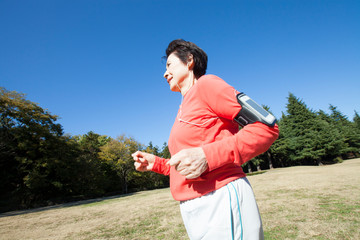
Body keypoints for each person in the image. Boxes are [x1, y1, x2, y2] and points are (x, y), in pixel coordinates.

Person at [132, 39, 279, 240]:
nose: (164, 73)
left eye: (169, 65)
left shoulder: (207, 85)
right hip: (192, 208)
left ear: (189, 60)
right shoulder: (182, 108)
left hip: (220, 197)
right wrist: (156, 163)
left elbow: (266, 126)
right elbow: (189, 164)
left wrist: (207, 156)